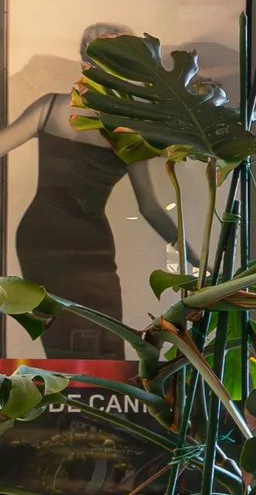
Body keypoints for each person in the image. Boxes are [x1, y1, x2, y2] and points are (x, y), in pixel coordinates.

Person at [0, 23, 189, 358]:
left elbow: (149, 208)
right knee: (69, 341)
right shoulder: (62, 110)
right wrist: (197, 258)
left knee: (101, 342)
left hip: (82, 245)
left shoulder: (126, 128)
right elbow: (151, 208)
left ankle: (83, 408)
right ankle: (71, 410)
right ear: (86, 62)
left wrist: (194, 257)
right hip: (46, 240)